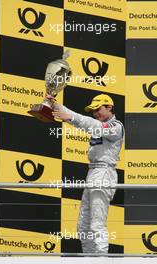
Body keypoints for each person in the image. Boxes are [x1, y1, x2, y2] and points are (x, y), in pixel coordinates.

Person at [50, 93, 124, 254]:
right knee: (83, 224)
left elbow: (89, 124)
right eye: (93, 111)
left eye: (98, 109)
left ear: (109, 107)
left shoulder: (116, 127)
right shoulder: (97, 124)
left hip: (104, 173)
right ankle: (89, 258)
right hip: (93, 173)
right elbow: (79, 118)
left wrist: (70, 117)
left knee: (97, 223)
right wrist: (54, 104)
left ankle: (101, 259)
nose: (95, 113)